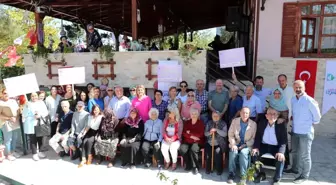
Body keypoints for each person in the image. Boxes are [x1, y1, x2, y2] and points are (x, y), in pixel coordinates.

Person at [285, 80, 321, 184]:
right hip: (295, 131)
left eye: (300, 87)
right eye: (296, 87)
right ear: (293, 88)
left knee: (305, 155)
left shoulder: (309, 100)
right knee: (295, 152)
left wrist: (308, 123)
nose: (298, 89)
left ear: (304, 88)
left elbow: (317, 118)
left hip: (306, 133)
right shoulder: (293, 100)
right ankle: (294, 169)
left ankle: (305, 175)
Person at [252, 108, 287, 185]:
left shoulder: (281, 125)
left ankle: (277, 179)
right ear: (266, 116)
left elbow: (283, 140)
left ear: (277, 116)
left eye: (274, 114)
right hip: (263, 145)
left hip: (275, 147)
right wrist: (256, 147)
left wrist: (281, 152)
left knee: (281, 158)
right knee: (254, 154)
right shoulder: (262, 123)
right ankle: (260, 174)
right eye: (270, 114)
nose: (272, 116)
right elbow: (258, 136)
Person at [227, 107, 257, 185]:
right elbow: (230, 134)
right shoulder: (235, 121)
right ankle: (231, 174)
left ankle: (243, 176)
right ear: (240, 113)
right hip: (236, 143)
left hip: (247, 145)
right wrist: (233, 144)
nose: (245, 114)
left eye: (247, 113)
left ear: (249, 114)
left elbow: (253, 139)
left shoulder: (253, 124)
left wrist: (245, 145)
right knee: (233, 151)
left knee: (243, 153)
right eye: (243, 112)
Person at [23, 92, 49, 161]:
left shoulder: (41, 103)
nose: (34, 97)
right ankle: (34, 153)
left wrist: (39, 115)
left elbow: (46, 112)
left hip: (40, 123)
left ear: (37, 96)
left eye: (35, 96)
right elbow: (24, 115)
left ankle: (40, 152)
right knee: (33, 139)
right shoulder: (27, 103)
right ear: (30, 97)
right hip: (31, 124)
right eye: (32, 96)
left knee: (40, 138)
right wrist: (26, 107)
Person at [180, 108, 204, 174]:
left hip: (197, 142)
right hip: (188, 141)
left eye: (195, 114)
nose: (194, 115)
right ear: (190, 115)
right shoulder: (187, 123)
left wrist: (189, 134)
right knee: (182, 149)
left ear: (198, 115)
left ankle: (195, 167)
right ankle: (188, 164)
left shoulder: (200, 123)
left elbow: (200, 134)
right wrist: (192, 136)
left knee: (193, 149)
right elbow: (184, 133)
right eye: (192, 114)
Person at [0, 89, 21, 160]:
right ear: (2, 94)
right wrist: (9, 118)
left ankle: (12, 152)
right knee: (8, 139)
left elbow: (18, 111)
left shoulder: (13, 101)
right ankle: (8, 154)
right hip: (6, 123)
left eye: (8, 93)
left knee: (15, 138)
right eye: (5, 93)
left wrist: (16, 117)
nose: (6, 94)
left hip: (15, 122)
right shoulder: (0, 103)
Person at [204, 111, 227, 175]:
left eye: (217, 116)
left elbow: (225, 134)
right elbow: (205, 133)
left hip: (219, 143)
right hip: (210, 142)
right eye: (214, 116)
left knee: (217, 152)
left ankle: (219, 169)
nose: (215, 117)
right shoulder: (209, 123)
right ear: (212, 116)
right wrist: (210, 133)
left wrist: (216, 130)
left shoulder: (223, 123)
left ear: (220, 116)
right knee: (208, 154)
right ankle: (208, 168)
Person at [161, 107, 183, 171]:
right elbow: (163, 130)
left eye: (170, 112)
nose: (168, 113)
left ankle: (174, 163)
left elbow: (179, 132)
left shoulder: (179, 121)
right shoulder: (166, 119)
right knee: (163, 148)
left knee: (173, 148)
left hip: (176, 139)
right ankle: (168, 161)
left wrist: (173, 138)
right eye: (169, 112)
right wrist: (166, 137)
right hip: (166, 138)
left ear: (175, 113)